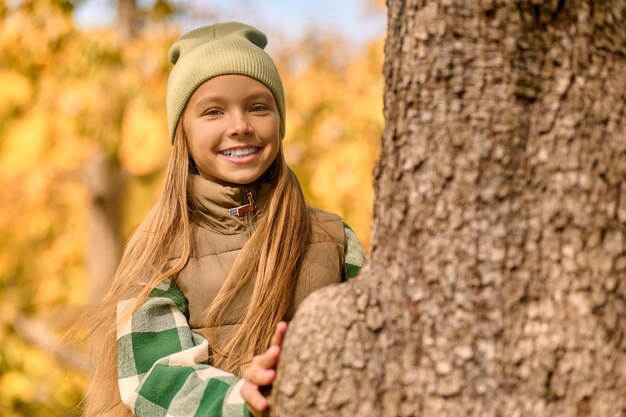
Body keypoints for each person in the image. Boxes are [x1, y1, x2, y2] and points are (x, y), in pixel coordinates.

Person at [83, 22, 365, 417]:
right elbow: (153, 379)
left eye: (258, 106)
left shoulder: (334, 238)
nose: (240, 125)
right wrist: (240, 398)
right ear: (183, 131)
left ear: (280, 122)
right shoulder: (159, 251)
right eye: (213, 111)